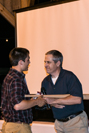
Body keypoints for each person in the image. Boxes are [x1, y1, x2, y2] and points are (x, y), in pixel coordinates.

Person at [41, 50, 88, 133]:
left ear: (58, 63)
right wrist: (46, 102)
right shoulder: (45, 82)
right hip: (59, 124)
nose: (45, 65)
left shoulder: (69, 77)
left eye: (48, 62)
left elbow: (77, 99)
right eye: (45, 62)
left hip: (75, 123)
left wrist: (56, 101)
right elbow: (46, 102)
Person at [1, 47, 46, 133]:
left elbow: (16, 101)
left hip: (10, 125)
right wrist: (37, 102)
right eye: (28, 60)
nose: (29, 62)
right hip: (18, 127)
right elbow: (18, 105)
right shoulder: (16, 79)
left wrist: (31, 101)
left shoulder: (9, 76)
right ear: (21, 62)